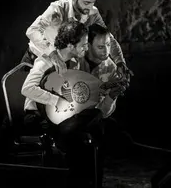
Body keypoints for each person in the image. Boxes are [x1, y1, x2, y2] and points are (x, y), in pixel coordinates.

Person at [21, 21, 127, 188]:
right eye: (84, 45)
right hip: (38, 115)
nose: (86, 49)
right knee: (91, 129)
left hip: (65, 117)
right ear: (71, 45)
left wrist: (110, 96)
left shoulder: (75, 64)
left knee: (93, 126)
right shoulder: (46, 60)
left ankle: (92, 182)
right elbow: (27, 89)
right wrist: (56, 100)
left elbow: (74, 97)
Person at [21, 0, 133, 82]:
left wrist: (120, 62)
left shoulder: (93, 14)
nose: (90, 7)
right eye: (86, 3)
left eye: (93, 2)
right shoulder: (58, 9)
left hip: (63, 66)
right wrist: (53, 54)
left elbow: (108, 38)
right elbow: (32, 30)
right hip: (35, 61)